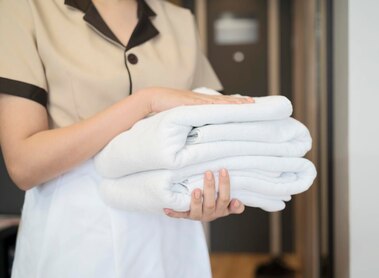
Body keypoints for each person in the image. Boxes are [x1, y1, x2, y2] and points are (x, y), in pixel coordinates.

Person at [0, 0, 251, 277]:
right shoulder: (24, 9)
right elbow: (24, 165)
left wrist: (211, 194)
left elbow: (210, 137)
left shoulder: (179, 21)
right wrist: (145, 102)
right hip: (75, 241)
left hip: (171, 239)